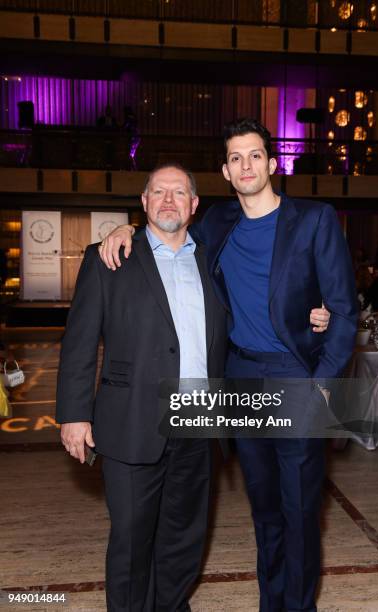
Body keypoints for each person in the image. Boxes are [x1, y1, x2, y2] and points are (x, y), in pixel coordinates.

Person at [98, 117, 356, 612]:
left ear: (272, 163)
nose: (246, 165)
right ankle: (269, 602)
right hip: (240, 377)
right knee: (264, 508)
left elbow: (343, 308)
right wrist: (124, 226)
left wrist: (326, 385)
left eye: (255, 155)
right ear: (225, 170)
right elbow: (166, 225)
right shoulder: (216, 223)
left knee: (301, 509)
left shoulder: (315, 219)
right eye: (236, 158)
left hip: (296, 377)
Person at [56, 164, 229, 612]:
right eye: (158, 191)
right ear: (144, 201)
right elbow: (78, 342)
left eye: (178, 193)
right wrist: (74, 415)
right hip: (130, 422)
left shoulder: (213, 259)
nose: (168, 200)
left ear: (194, 206)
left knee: (183, 537)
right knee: (132, 538)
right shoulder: (110, 256)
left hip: (197, 422)